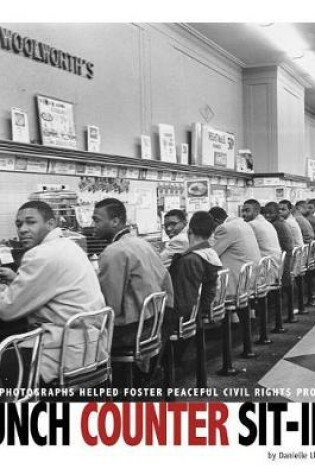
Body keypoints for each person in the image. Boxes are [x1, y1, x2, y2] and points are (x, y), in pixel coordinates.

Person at [0, 201, 105, 385]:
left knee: (7, 357)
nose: (23, 229)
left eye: (31, 222)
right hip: (91, 346)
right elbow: (47, 287)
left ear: (51, 224)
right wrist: (14, 280)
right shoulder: (69, 245)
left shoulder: (40, 254)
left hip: (63, 353)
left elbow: (7, 310)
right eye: (19, 224)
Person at [92, 198, 174, 352]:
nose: (92, 226)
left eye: (97, 220)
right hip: (155, 322)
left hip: (132, 331)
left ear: (115, 221)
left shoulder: (113, 252)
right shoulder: (143, 243)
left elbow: (111, 307)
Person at [169, 211, 221, 319]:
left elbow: (183, 303)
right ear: (211, 233)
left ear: (189, 231)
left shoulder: (189, 261)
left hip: (185, 318)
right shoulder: (211, 254)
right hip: (201, 310)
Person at [209, 206, 261, 297]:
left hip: (237, 283)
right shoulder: (242, 223)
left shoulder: (225, 228)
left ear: (216, 221)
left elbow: (212, 255)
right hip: (250, 278)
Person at [242, 199, 282, 283]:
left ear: (257, 211)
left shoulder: (252, 224)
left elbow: (242, 246)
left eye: (247, 211)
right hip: (276, 265)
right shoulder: (267, 223)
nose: (243, 214)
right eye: (243, 211)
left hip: (267, 268)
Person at [264, 201, 294, 286]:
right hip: (287, 256)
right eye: (265, 213)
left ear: (277, 213)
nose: (267, 215)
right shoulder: (282, 221)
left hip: (283, 259)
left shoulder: (276, 224)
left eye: (270, 213)